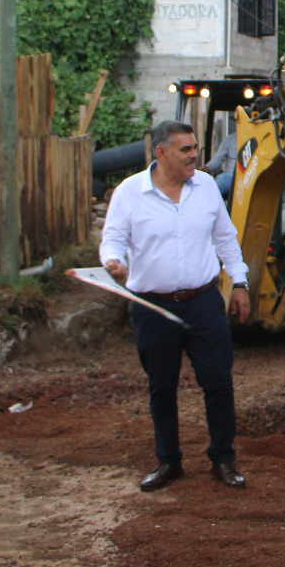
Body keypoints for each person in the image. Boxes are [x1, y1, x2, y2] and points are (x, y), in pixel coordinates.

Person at [100, 120, 253, 491]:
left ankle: (223, 459)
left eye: (195, 147)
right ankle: (169, 462)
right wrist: (113, 262)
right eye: (185, 149)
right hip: (152, 306)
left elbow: (226, 239)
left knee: (218, 381)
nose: (194, 155)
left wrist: (240, 282)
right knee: (161, 387)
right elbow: (113, 239)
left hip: (202, 302)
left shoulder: (206, 188)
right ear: (161, 153)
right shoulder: (129, 193)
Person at [205, 127, 239, 199]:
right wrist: (208, 167)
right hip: (232, 176)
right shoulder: (230, 139)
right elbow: (219, 158)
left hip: (252, 175)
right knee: (222, 180)